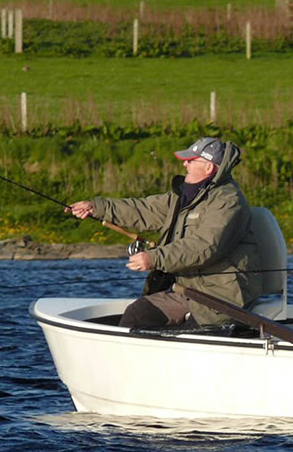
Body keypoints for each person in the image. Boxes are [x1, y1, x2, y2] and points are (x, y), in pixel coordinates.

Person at [67, 137, 261, 329]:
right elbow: (144, 210)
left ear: (209, 168)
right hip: (188, 291)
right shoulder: (186, 196)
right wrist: (98, 207)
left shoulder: (228, 202)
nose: (184, 164)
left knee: (187, 334)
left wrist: (154, 258)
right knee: (138, 314)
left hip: (223, 298)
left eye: (191, 161)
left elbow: (204, 245)